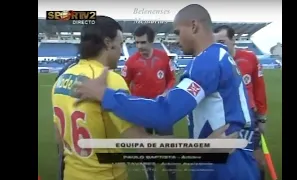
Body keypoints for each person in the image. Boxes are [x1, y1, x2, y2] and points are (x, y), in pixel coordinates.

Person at [74, 4, 259, 180]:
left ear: (194, 26)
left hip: (227, 160)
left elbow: (165, 113)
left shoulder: (209, 61)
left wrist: (105, 94)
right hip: (224, 152)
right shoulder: (217, 56)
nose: (176, 40)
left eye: (178, 32)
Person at [121, 25, 176, 180]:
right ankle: (150, 176)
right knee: (145, 146)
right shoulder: (131, 62)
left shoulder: (164, 57)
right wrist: (131, 103)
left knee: (167, 146)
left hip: (162, 110)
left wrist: (167, 91)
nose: (139, 46)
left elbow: (171, 78)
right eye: (137, 43)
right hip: (142, 112)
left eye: (143, 42)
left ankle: (172, 175)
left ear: (152, 41)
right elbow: (123, 84)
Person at [214, 25, 268, 180]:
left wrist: (262, 117)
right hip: (224, 118)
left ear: (233, 40)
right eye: (215, 42)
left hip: (249, 117)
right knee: (228, 159)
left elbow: (259, 88)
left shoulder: (249, 58)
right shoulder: (215, 62)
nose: (219, 46)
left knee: (257, 161)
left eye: (222, 41)